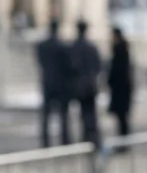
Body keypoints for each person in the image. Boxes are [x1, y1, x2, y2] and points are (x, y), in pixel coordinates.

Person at [35, 19, 75, 147]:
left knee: (46, 116)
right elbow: (68, 67)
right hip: (60, 85)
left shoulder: (42, 46)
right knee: (63, 115)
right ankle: (65, 140)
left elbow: (40, 62)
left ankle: (45, 142)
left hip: (48, 83)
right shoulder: (62, 46)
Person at [71, 19, 103, 145]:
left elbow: (72, 66)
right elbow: (98, 66)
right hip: (91, 84)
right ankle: (93, 136)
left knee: (84, 113)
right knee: (92, 113)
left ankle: (86, 135)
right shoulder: (91, 47)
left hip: (80, 85)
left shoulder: (74, 47)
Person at [107, 27, 134, 140]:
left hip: (120, 89)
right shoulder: (124, 49)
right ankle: (124, 140)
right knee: (123, 117)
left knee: (121, 117)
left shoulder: (119, 50)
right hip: (124, 88)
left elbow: (116, 71)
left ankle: (123, 141)